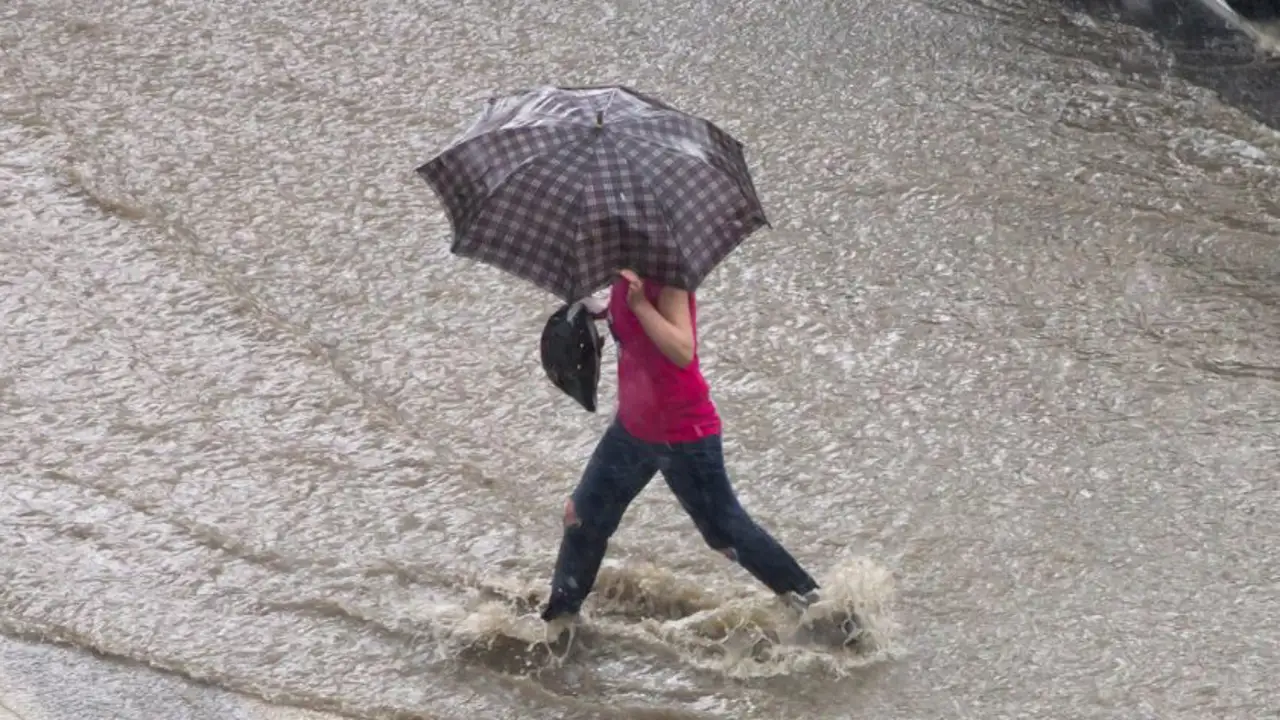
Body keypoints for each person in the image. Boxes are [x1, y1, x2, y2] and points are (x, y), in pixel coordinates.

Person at [541, 268, 830, 640]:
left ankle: (815, 608)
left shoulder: (668, 275)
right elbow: (621, 320)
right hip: (632, 429)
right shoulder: (621, 273)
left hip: (683, 434)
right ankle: (560, 626)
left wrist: (641, 305)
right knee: (582, 517)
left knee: (725, 533)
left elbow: (682, 349)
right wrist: (591, 307)